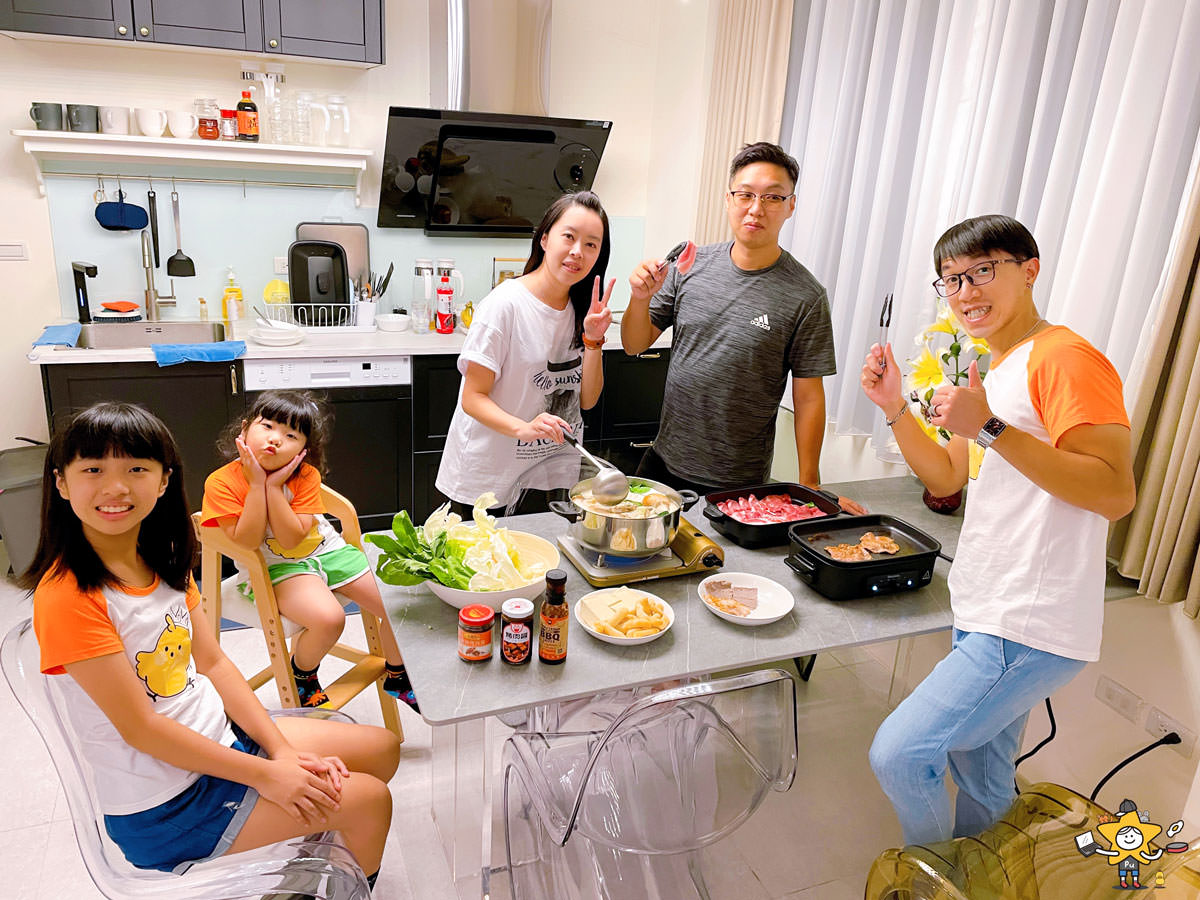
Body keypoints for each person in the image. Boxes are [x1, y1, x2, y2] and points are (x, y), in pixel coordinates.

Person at [23, 402, 399, 882]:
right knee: (370, 801)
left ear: (163, 481)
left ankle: (306, 846)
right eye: (93, 469)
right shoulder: (68, 596)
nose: (115, 488)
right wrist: (268, 774)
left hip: (219, 738)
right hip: (167, 804)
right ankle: (317, 876)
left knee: (382, 749)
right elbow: (142, 730)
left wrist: (281, 753)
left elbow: (215, 663)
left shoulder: (163, 561)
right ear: (61, 482)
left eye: (136, 469)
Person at [860, 215, 1136, 844]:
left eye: (982, 271)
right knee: (982, 776)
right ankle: (986, 877)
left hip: (1027, 620)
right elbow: (948, 475)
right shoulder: (996, 366)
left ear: (1028, 270)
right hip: (987, 605)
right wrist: (895, 406)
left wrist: (987, 426)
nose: (966, 293)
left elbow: (1114, 492)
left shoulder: (1065, 358)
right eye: (952, 280)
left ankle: (936, 881)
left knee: (900, 754)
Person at [622, 141, 865, 512]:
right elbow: (634, 344)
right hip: (663, 463)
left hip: (739, 482)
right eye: (746, 194)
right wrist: (639, 299)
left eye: (772, 197)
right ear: (728, 199)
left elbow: (808, 396)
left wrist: (810, 484)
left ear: (791, 206)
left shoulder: (806, 295)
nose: (756, 208)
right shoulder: (690, 266)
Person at [201, 390, 418, 711]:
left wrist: (275, 487)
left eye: (290, 435)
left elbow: (292, 536)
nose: (275, 439)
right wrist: (259, 485)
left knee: (401, 604)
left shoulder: (304, 474)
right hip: (274, 567)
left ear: (304, 450)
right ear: (244, 431)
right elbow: (247, 541)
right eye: (267, 426)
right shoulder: (222, 483)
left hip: (327, 551)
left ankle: (397, 676)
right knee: (330, 620)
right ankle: (303, 673)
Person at [436, 190, 615, 514]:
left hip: (547, 474)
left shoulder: (582, 311)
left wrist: (593, 340)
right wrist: (525, 428)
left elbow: (587, 401)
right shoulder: (504, 305)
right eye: (569, 236)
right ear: (545, 239)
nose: (578, 251)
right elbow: (472, 398)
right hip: (487, 479)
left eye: (591, 244)